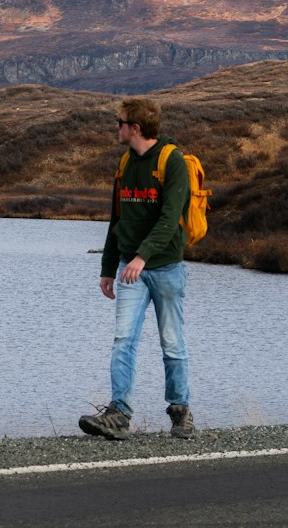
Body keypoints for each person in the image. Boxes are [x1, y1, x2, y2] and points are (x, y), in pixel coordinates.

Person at [79, 98, 196, 440]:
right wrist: (107, 267)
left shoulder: (172, 162)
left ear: (136, 128)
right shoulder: (125, 163)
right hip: (130, 266)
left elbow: (169, 217)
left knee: (172, 342)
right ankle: (119, 414)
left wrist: (142, 257)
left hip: (165, 268)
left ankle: (180, 411)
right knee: (122, 340)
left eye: (120, 122)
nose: (116, 127)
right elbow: (118, 219)